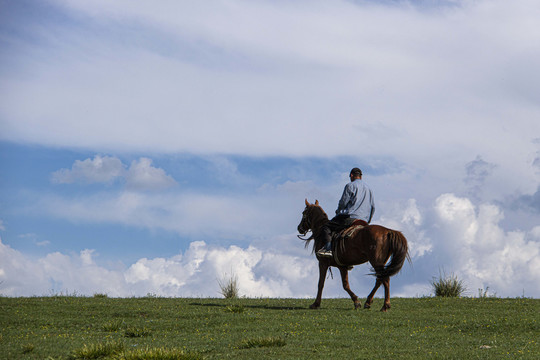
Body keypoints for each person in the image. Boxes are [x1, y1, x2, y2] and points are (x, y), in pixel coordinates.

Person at [317, 167, 375, 257]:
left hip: (351, 217)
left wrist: (338, 211)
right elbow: (373, 207)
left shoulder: (350, 186)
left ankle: (328, 248)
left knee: (327, 226)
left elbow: (343, 202)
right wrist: (368, 220)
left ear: (351, 175)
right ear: (361, 177)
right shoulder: (369, 189)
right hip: (364, 220)